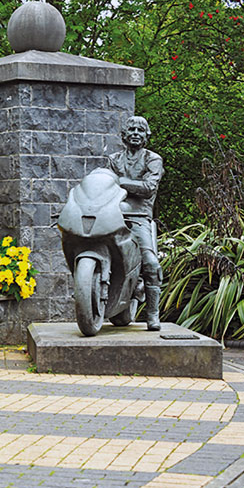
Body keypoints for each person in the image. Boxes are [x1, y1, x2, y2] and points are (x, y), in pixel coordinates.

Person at [107, 116, 164, 331]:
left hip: (139, 217)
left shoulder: (153, 159)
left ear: (146, 136)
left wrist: (119, 182)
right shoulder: (113, 159)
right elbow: (104, 184)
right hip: (112, 214)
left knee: (150, 263)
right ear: (123, 135)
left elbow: (149, 186)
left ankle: (152, 314)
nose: (135, 133)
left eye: (141, 130)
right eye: (131, 129)